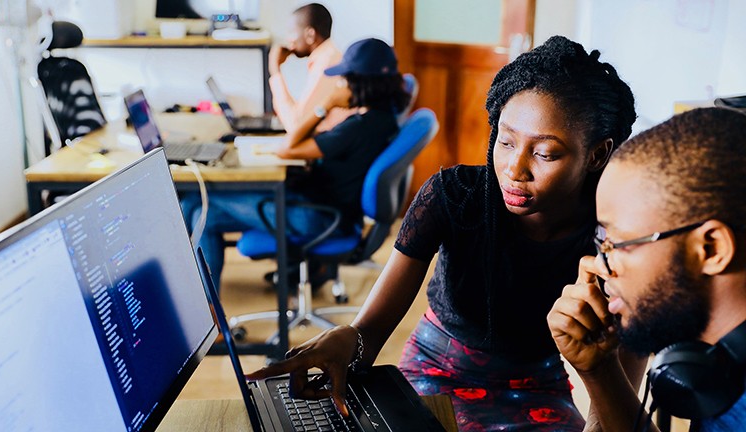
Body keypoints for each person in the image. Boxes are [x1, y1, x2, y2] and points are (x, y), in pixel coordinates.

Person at [247, 35, 641, 431]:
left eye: (544, 153)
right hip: (435, 369)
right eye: (505, 142)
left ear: (597, 154)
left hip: (537, 385)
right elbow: (369, 333)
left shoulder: (618, 239)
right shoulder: (454, 197)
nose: (514, 169)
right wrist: (349, 341)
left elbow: (614, 408)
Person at [547, 107, 746, 432]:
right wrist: (600, 371)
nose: (598, 264)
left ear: (711, 249)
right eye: (601, 241)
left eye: (618, 243)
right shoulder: (717, 364)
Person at [183, 38, 410, 290]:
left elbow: (288, 147)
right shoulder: (383, 118)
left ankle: (204, 306)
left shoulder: (358, 128)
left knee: (199, 206)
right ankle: (206, 304)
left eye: (344, 78)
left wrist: (325, 105)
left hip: (317, 217)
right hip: (328, 209)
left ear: (360, 83)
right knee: (198, 208)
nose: (338, 84)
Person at [268, 3, 352, 133]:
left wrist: (275, 71)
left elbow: (296, 126)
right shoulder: (328, 56)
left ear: (310, 35)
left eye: (291, 32)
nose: (288, 39)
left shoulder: (327, 64)